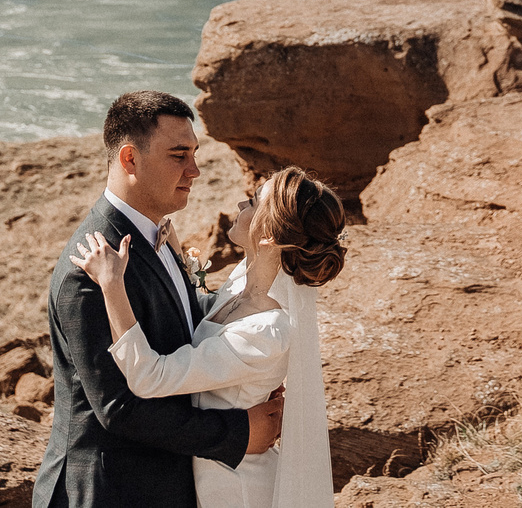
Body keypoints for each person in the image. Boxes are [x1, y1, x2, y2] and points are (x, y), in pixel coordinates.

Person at [34, 91, 284, 508]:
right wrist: (239, 433)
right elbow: (118, 407)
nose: (195, 170)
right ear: (129, 159)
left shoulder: (159, 236)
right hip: (108, 492)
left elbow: (182, 326)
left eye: (195, 154)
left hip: (161, 485)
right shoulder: (92, 268)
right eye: (179, 155)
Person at [69, 166, 348, 508]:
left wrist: (112, 285)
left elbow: (149, 377)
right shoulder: (241, 281)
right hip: (210, 475)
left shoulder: (266, 331)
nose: (241, 206)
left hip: (236, 490)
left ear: (269, 237)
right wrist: (176, 258)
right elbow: (206, 314)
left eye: (251, 202)